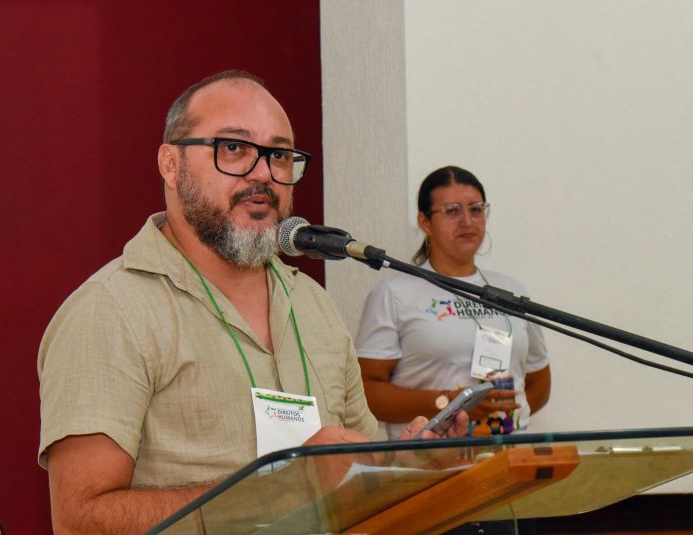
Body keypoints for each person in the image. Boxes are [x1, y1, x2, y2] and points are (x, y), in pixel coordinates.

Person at [37, 71, 467, 535]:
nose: (263, 173)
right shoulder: (110, 311)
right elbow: (80, 521)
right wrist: (285, 489)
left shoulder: (313, 304)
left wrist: (407, 465)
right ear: (171, 164)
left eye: (279, 155)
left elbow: (352, 478)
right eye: (233, 148)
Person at [355, 165, 551, 440]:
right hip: (428, 456)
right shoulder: (394, 294)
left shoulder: (511, 291)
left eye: (476, 209)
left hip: (507, 454)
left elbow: (539, 380)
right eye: (452, 211)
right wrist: (449, 403)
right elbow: (368, 393)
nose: (468, 221)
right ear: (425, 222)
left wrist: (503, 417)